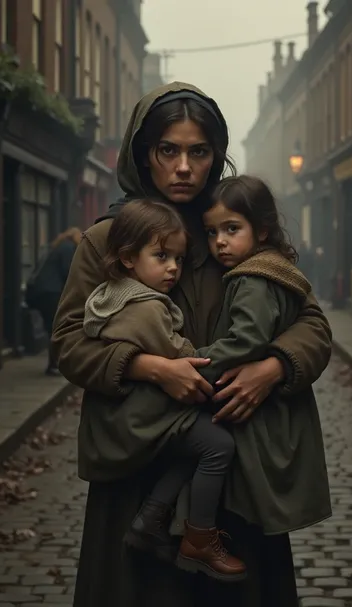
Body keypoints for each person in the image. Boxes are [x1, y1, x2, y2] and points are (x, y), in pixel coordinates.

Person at [52, 82, 332, 607]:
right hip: (138, 460)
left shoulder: (234, 230)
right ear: (144, 153)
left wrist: (273, 366)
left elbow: (311, 323)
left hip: (234, 461)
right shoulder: (108, 239)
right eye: (168, 150)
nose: (183, 167)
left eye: (198, 152)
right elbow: (68, 342)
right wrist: (149, 367)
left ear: (215, 156)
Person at [83, 198, 246, 582]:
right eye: (161, 256)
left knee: (197, 448)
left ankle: (150, 519)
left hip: (133, 412)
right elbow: (179, 354)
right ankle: (200, 536)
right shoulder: (148, 308)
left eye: (177, 258)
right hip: (152, 412)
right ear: (127, 258)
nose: (173, 268)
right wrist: (214, 365)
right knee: (219, 446)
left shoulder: (113, 294)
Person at [27, 227, 81, 375]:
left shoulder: (56, 247)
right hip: (52, 292)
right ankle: (55, 365)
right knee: (58, 328)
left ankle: (54, 364)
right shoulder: (68, 248)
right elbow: (67, 271)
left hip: (41, 292)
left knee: (53, 328)